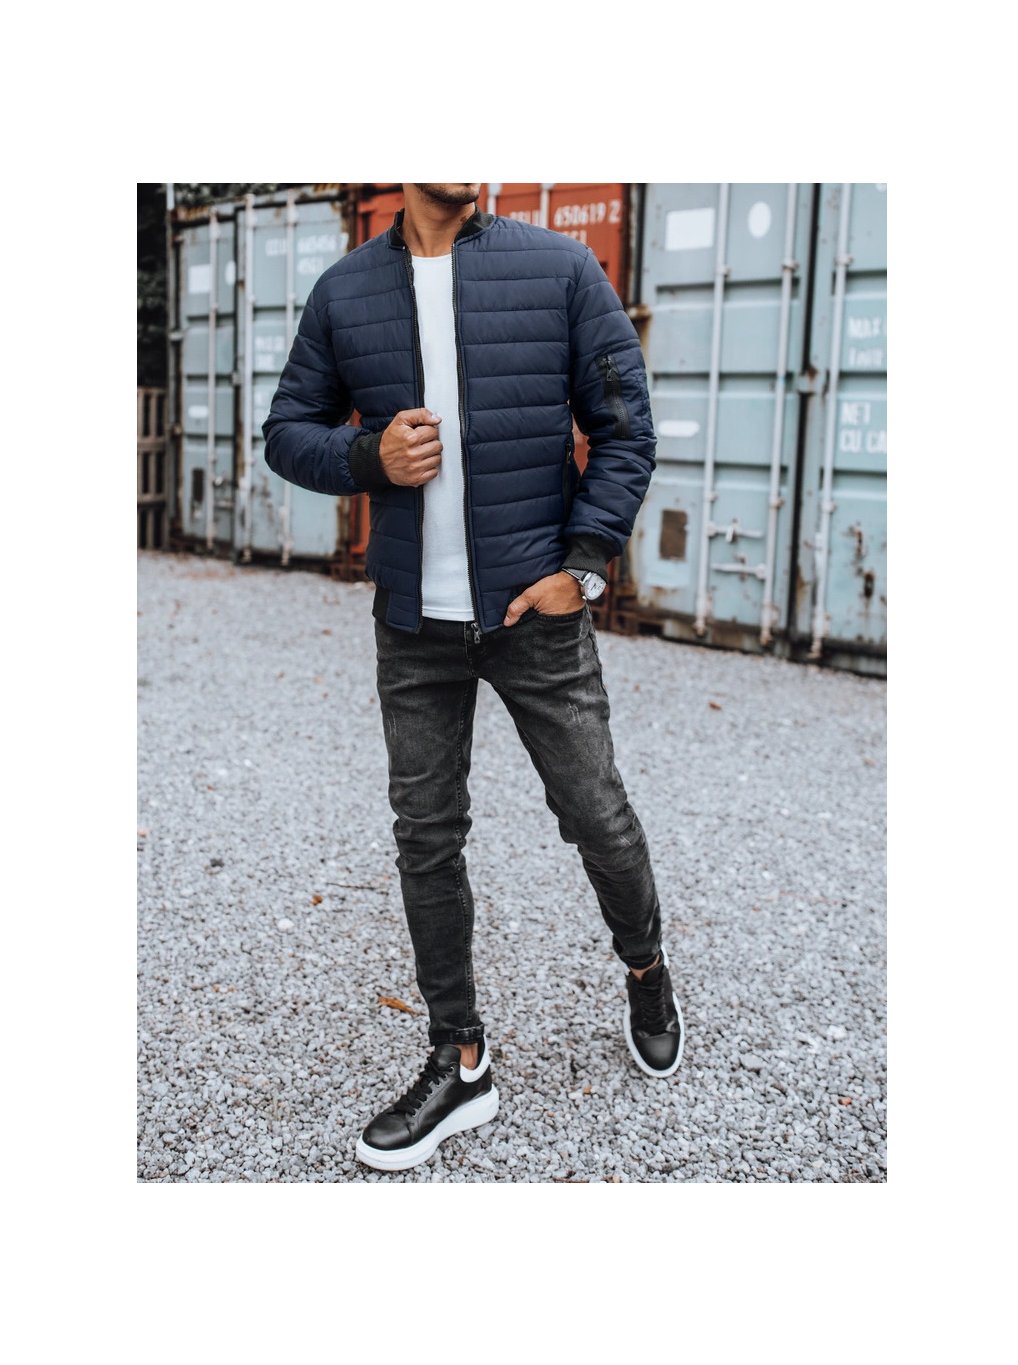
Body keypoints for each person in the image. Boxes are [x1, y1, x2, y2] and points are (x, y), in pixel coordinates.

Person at [263, 183, 683, 1173]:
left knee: (595, 813)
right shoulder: (346, 289)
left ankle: (646, 968)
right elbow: (285, 431)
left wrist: (583, 565)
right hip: (414, 622)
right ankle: (460, 1061)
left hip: (534, 613)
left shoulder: (558, 268)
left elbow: (626, 425)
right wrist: (368, 456)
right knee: (426, 836)